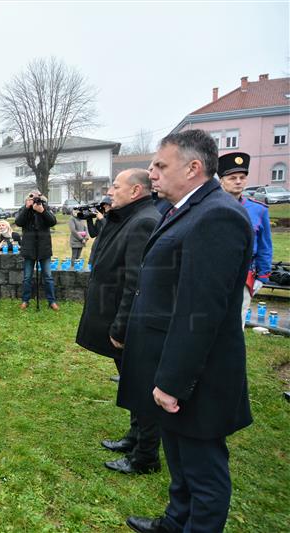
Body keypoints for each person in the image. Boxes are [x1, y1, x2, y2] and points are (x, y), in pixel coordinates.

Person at [118, 130, 252, 533]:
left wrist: (173, 381)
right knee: (179, 457)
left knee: (203, 470)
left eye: (161, 166)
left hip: (199, 373)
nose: (153, 175)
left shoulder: (217, 216)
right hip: (174, 362)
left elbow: (202, 311)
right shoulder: (185, 209)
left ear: (193, 168)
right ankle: (176, 522)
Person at [75, 169, 161, 475]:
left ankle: (146, 456)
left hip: (129, 322)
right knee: (131, 383)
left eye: (116, 186)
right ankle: (134, 438)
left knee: (142, 388)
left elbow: (134, 281)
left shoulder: (144, 221)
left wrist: (121, 326)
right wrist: (109, 215)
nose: (111, 191)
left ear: (136, 190)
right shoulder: (126, 217)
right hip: (114, 316)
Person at [218, 152, 273, 327]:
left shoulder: (259, 210)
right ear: (221, 180)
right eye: (232, 177)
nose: (238, 181)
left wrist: (262, 277)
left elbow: (265, 246)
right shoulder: (210, 206)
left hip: (244, 275)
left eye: (242, 177)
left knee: (237, 322)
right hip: (215, 273)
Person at [14, 191, 58, 310]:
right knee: (27, 277)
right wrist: (27, 208)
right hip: (29, 248)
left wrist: (42, 211)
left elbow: (53, 222)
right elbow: (18, 222)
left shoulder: (45, 208)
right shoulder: (24, 209)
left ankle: (52, 301)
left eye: (37, 198)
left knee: (48, 276)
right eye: (32, 198)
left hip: (44, 248)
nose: (35, 200)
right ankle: (25, 300)